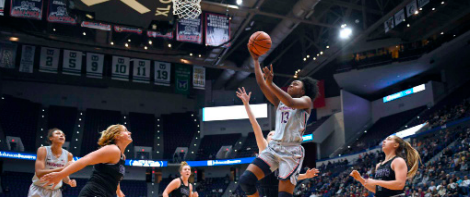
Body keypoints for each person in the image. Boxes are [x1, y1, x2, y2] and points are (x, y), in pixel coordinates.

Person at [238, 47, 319, 197]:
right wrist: (256, 60)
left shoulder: (306, 101)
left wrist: (272, 83)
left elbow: (290, 103)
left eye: (296, 84)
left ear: (303, 91)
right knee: (245, 181)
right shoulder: (279, 103)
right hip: (273, 149)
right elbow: (261, 84)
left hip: (291, 151)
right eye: (291, 83)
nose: (291, 85)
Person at [41, 124, 131, 197]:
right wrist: (61, 174)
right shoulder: (112, 150)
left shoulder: (122, 156)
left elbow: (114, 177)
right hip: (95, 192)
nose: (129, 132)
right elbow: (85, 160)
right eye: (126, 130)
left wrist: (119, 192)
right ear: (117, 136)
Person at [350, 135, 421, 197]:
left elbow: (400, 185)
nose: (384, 141)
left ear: (396, 145)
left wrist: (376, 182)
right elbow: (377, 190)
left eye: (389, 139)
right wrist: (360, 179)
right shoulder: (378, 166)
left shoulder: (398, 161)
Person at [28, 128, 77, 197]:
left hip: (56, 191)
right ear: (51, 138)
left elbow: (64, 176)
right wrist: (64, 168)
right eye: (58, 133)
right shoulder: (43, 150)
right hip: (38, 189)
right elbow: (39, 173)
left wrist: (69, 182)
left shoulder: (68, 155)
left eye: (63, 135)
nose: (61, 135)